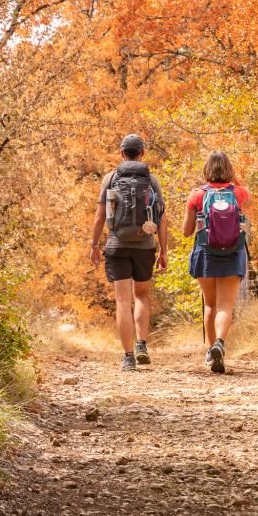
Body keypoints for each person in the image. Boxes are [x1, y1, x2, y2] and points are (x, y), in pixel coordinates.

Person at [90, 134, 168, 371]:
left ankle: (128, 357)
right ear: (142, 154)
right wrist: (163, 250)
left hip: (117, 244)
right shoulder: (151, 180)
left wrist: (94, 245)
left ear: (122, 153)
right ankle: (142, 344)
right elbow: (162, 218)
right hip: (144, 246)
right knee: (141, 295)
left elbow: (100, 216)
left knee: (123, 301)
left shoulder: (110, 179)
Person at [181, 150, 250, 373]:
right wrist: (233, 180)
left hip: (205, 253)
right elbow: (246, 219)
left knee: (210, 304)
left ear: (206, 170)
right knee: (225, 305)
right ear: (229, 169)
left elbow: (186, 232)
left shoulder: (197, 195)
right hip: (232, 253)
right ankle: (220, 342)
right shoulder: (239, 193)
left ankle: (211, 352)